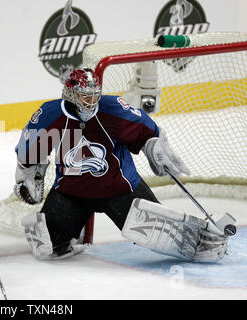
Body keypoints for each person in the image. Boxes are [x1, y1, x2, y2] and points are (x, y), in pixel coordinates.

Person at [15, 68, 229, 263]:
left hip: (120, 189)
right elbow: (29, 150)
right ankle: (69, 232)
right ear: (71, 94)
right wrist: (27, 173)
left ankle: (204, 238)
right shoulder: (50, 114)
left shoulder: (112, 108)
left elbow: (146, 130)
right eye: (85, 96)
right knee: (49, 248)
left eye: (94, 95)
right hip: (72, 193)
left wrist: (153, 144)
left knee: (164, 234)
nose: (91, 101)